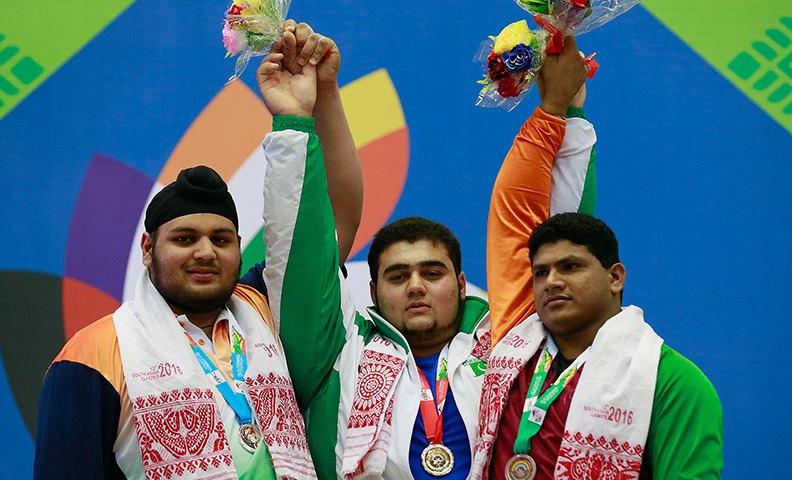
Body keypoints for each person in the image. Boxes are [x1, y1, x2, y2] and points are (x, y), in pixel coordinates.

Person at [253, 30, 598, 480]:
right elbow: (298, 249)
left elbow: (562, 239)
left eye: (432, 273)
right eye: (397, 277)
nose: (415, 285)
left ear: (460, 283)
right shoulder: (338, 354)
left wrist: (565, 112)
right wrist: (296, 121)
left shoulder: (512, 345)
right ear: (371, 291)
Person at [33, 22, 360, 480]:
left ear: (237, 249)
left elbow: (331, 229)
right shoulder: (95, 355)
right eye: (184, 239)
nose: (205, 252)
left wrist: (320, 99)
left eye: (221, 240)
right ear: (148, 249)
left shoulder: (265, 310)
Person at [470, 38, 724, 480]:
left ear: (615, 277)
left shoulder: (673, 382)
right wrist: (558, 109)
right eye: (542, 272)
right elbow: (512, 212)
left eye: (570, 268)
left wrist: (561, 111)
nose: (551, 281)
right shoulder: (514, 344)